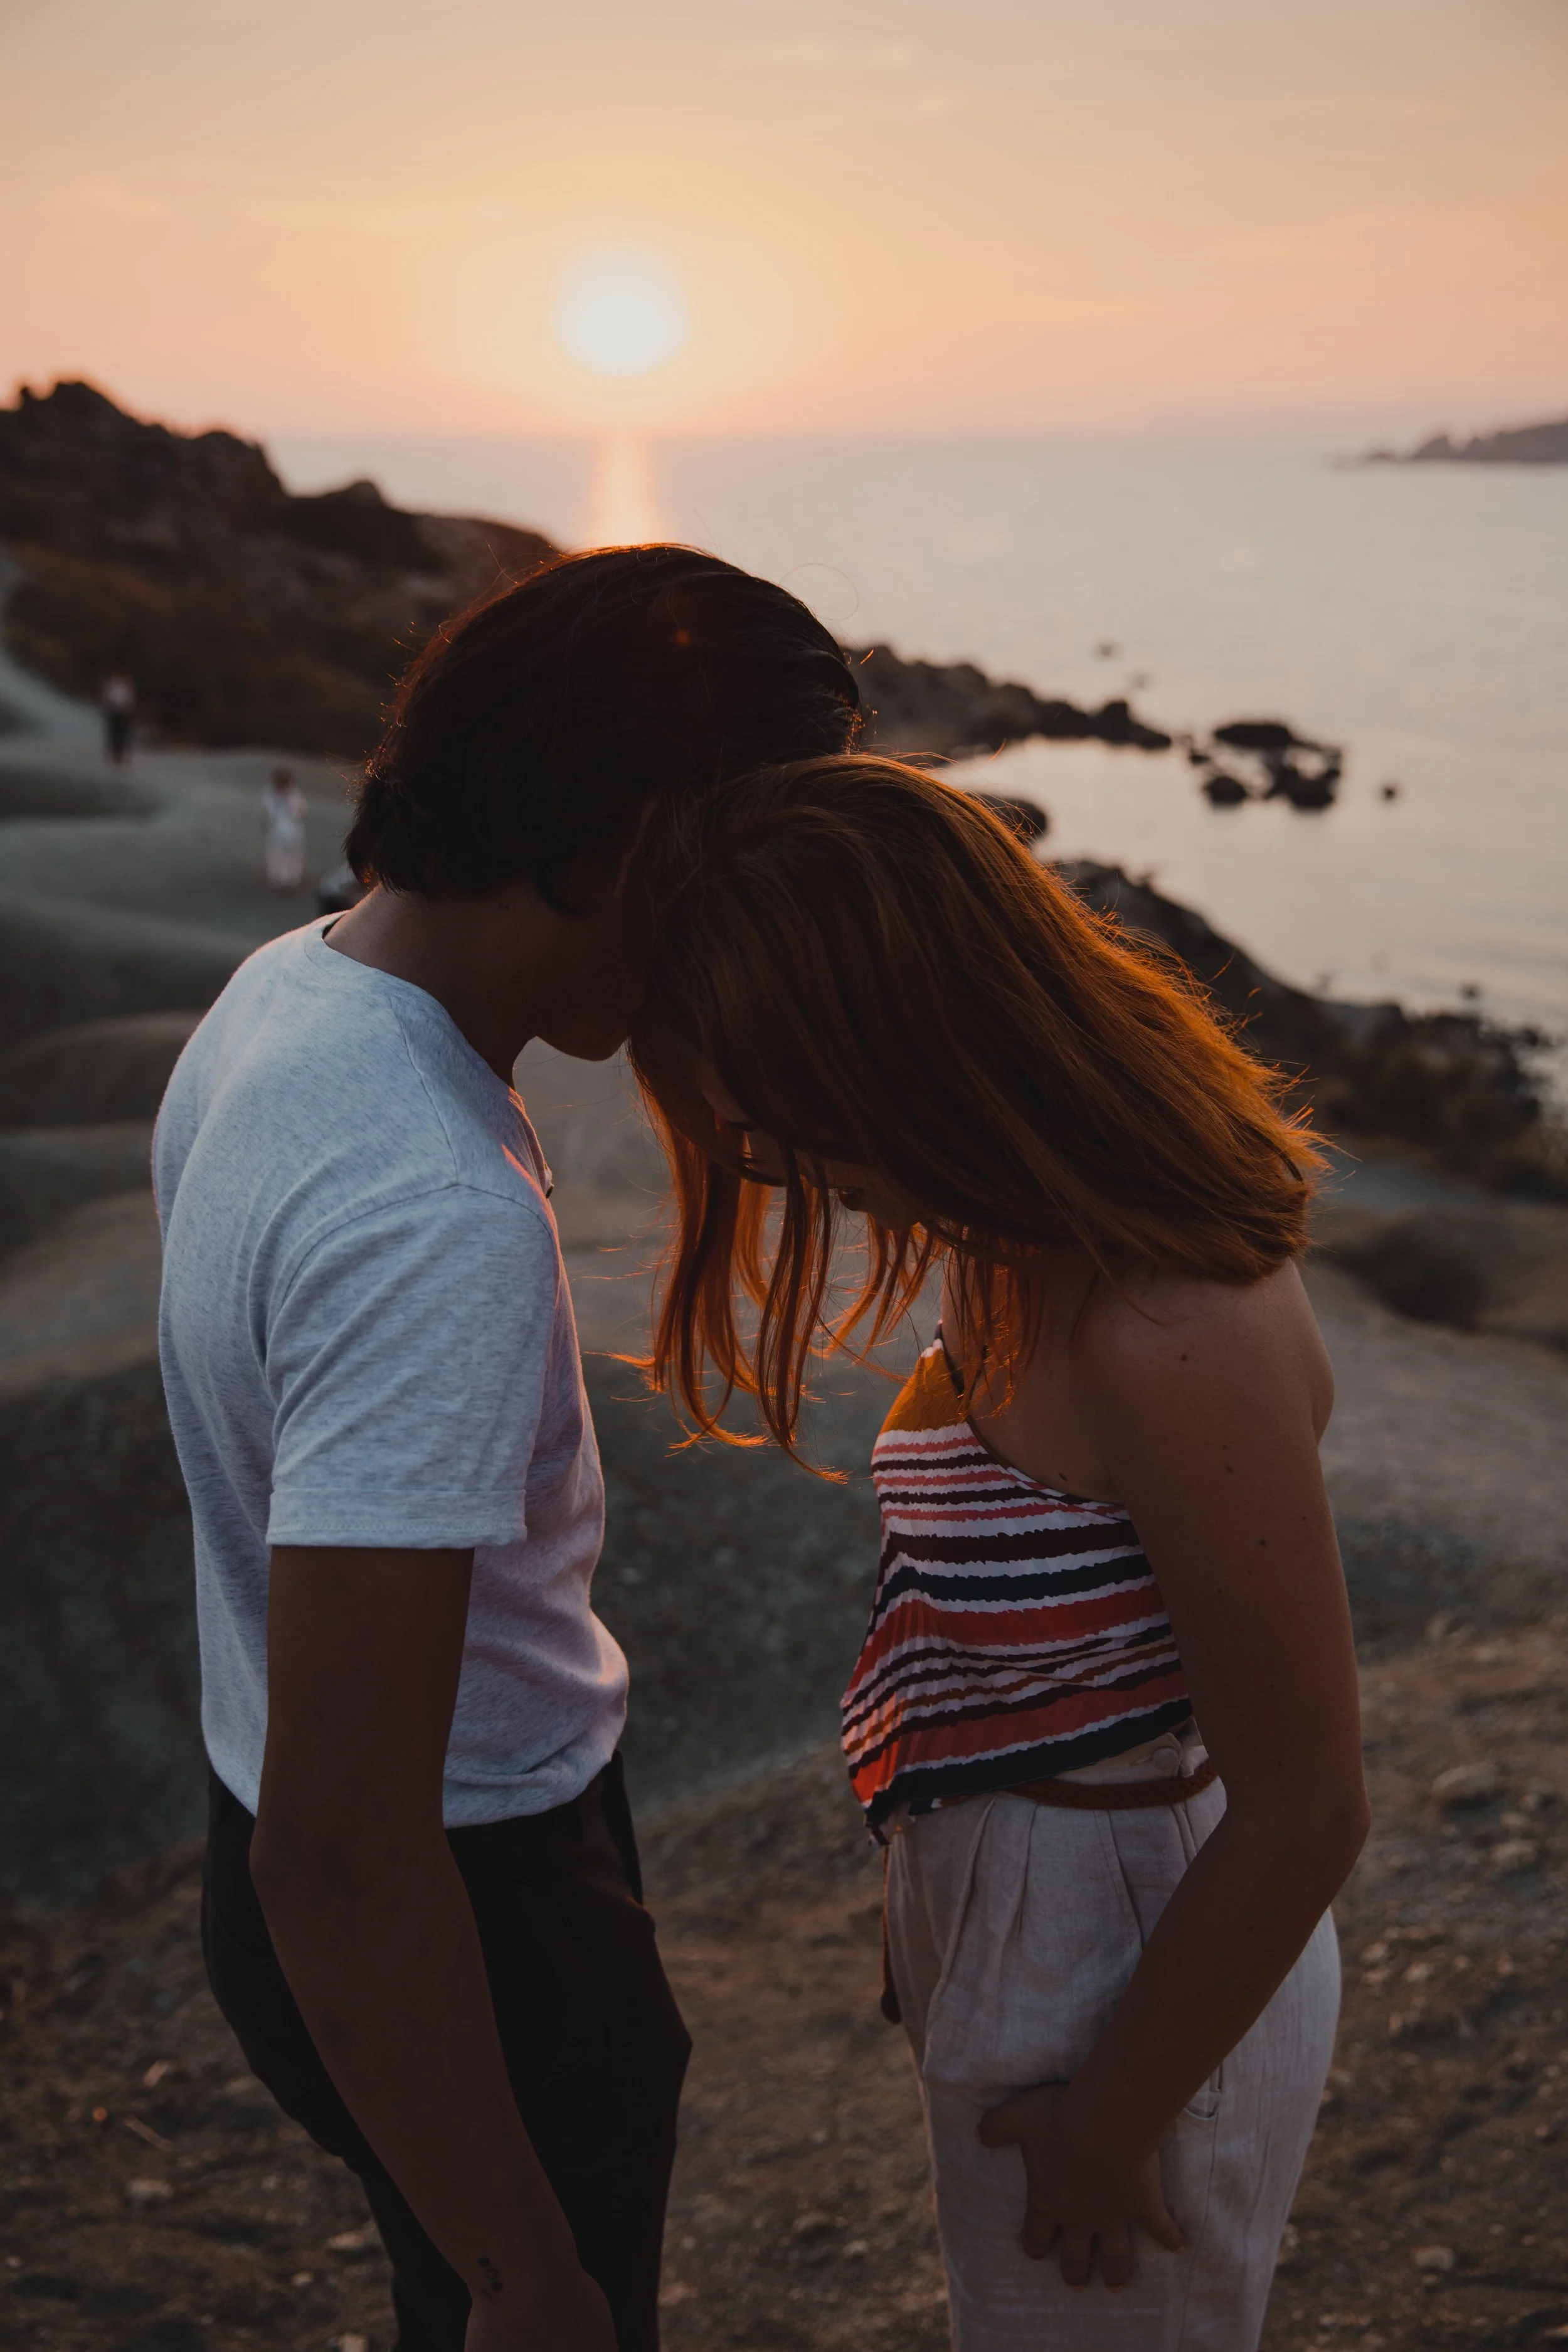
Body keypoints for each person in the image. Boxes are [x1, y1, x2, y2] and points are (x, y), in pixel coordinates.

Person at [152, 547, 862, 2352]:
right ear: (634, 837)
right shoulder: (423, 1203)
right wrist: (516, 2265)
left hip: (296, 1842)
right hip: (467, 1911)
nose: (761, 929)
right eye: (753, 858)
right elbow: (344, 1847)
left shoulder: (282, 995)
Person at [627, 755, 1369, 2352]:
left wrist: (1111, 2117)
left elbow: (1307, 1806)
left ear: (914, 1052)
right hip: (1048, 1928)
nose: (770, 1161)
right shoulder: (1014, 1242)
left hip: (1141, 1975)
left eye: (782, 1123)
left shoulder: (1172, 1328)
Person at [262, 763, 309, 889]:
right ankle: (280, 879)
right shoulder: (270, 793)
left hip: (293, 828)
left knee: (293, 854)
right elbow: (267, 813)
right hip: (277, 828)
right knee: (277, 854)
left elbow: (302, 811)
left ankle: (292, 879)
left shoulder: (294, 794)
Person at [101, 669, 135, 763]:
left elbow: (129, 698)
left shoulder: (126, 686)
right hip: (114, 710)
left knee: (122, 733)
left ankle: (120, 753)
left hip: (123, 711)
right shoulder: (111, 685)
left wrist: (129, 708)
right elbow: (107, 697)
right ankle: (114, 752)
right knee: (114, 733)